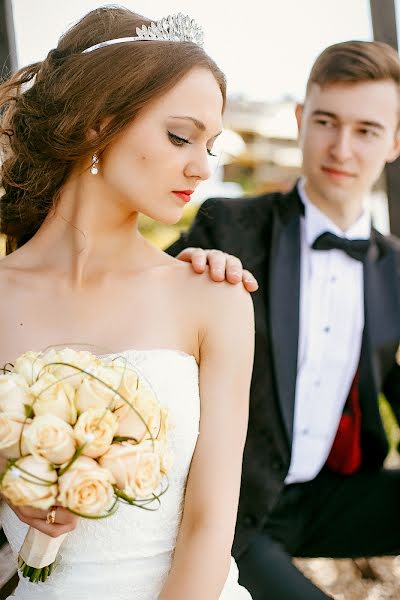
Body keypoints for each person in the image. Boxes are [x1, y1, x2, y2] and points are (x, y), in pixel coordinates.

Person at [0, 7, 255, 600]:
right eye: (179, 136)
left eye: (210, 145)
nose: (201, 166)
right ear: (97, 124)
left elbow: (210, 527)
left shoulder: (214, 298)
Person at [168, 40, 400, 599]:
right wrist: (178, 274)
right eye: (326, 121)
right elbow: (137, 318)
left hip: (329, 497)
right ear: (300, 120)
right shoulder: (229, 229)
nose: (341, 148)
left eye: (366, 130)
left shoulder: (394, 267)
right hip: (232, 506)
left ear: (395, 142)